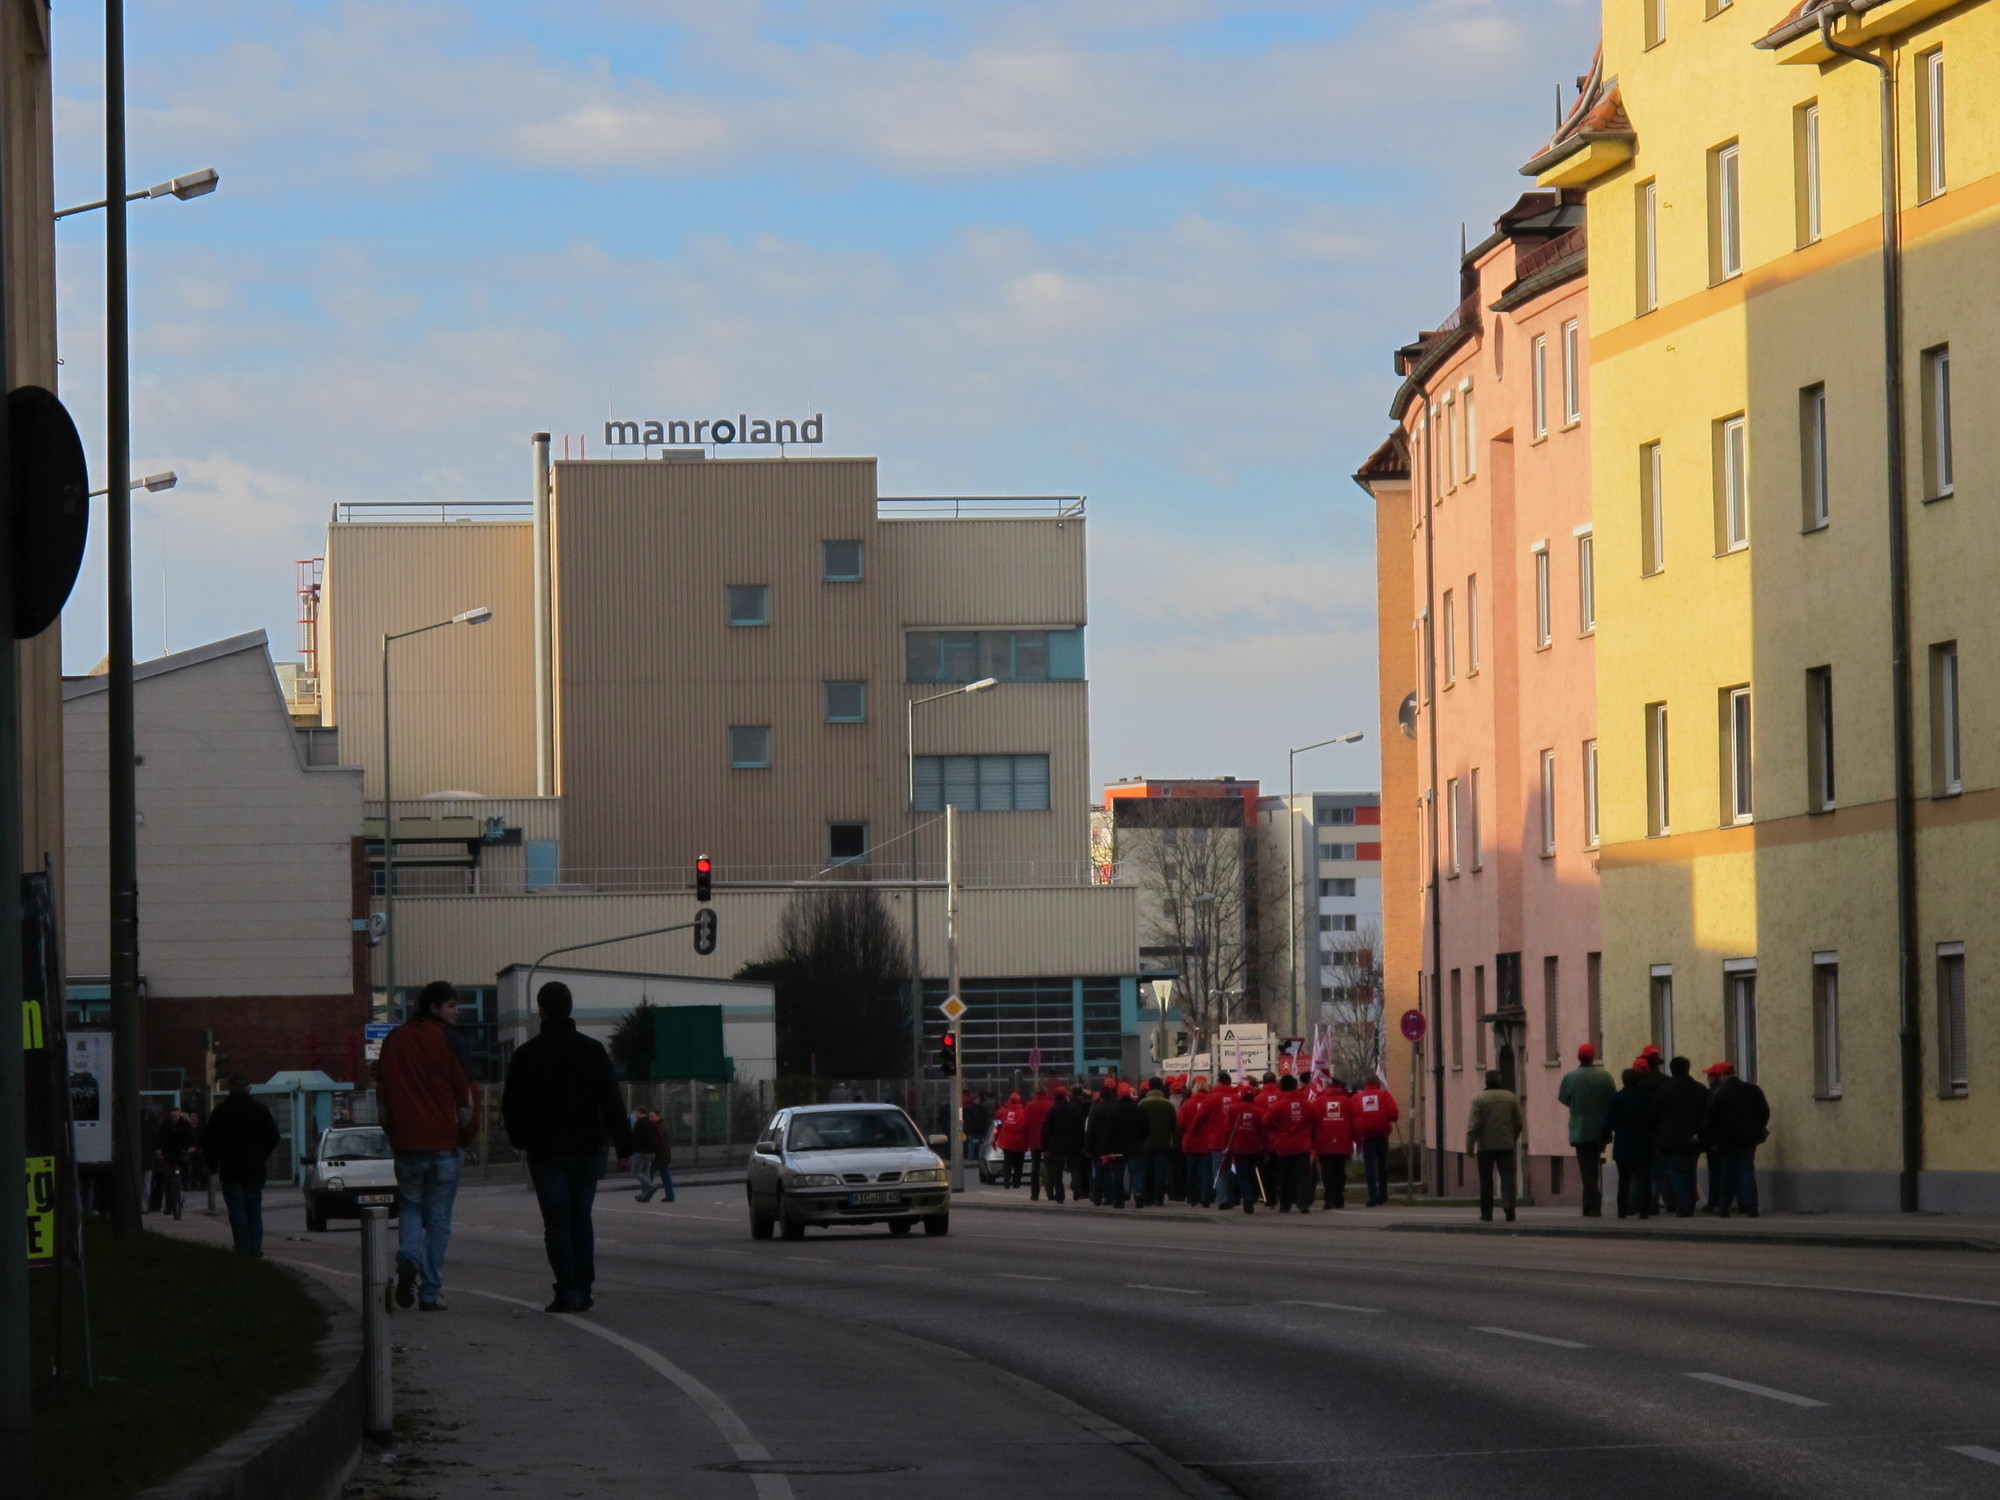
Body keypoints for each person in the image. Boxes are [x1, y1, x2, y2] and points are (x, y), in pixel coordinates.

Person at [502, 981, 636, 1313]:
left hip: (546, 1151)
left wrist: (521, 1140)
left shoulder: (527, 1055)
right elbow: (611, 1101)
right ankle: (584, 1288)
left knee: (557, 1222)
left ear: (541, 1010)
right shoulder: (592, 1051)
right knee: (581, 1218)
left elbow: (512, 1106)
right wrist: (624, 1145)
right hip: (588, 1147)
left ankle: (566, 1289)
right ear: (569, 1008)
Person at [378, 979, 479, 1311]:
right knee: (438, 1218)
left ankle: (408, 1256)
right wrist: (467, 1135)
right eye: (451, 1005)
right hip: (444, 1144)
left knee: (409, 1207)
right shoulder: (450, 1040)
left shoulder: (394, 1040)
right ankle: (430, 1292)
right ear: (434, 1008)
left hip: (406, 1144)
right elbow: (466, 1097)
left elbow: (383, 1098)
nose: (457, 1012)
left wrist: (393, 1131)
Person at [200, 1076, 280, 1255]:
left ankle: (242, 1246)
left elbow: (208, 1141)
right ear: (248, 1088)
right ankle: (255, 1246)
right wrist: (262, 1155)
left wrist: (213, 1164)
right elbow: (274, 1137)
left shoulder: (221, 1111)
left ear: (229, 1088)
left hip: (230, 1168)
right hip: (254, 1168)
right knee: (254, 1207)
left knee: (236, 1208)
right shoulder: (260, 1109)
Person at [1700, 1062, 1770, 1217]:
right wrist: (1758, 1127)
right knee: (1747, 1171)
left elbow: (1712, 1118)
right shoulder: (1753, 1089)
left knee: (1728, 1173)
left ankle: (1724, 1207)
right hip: (1748, 1138)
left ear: (1721, 1075)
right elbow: (1765, 1112)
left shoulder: (1720, 1093)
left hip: (1727, 1140)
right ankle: (1752, 1205)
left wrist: (1702, 1135)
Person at [1645, 1056, 1710, 1217]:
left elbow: (1653, 1114)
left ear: (1672, 1070)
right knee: (1691, 1170)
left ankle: (1684, 1204)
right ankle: (1690, 1202)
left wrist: (1653, 1133)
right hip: (1694, 1137)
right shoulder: (1700, 1089)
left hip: (1671, 1138)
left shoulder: (1665, 1089)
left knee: (1678, 1170)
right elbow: (1708, 1113)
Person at [1556, 1043, 1617, 1217]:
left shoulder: (1571, 1077)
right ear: (1593, 1056)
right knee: (1593, 1166)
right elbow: (1612, 1098)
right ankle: (1588, 1205)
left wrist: (1577, 1105)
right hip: (1601, 1128)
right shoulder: (1605, 1077)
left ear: (1579, 1057)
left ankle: (1594, 1205)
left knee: (1586, 1169)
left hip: (1580, 1128)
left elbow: (1564, 1098)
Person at [1465, 1069, 1525, 1222]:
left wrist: (1470, 1145)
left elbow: (1474, 1125)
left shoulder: (1479, 1099)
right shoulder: (1510, 1098)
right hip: (1506, 1144)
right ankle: (1509, 1208)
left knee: (1486, 1179)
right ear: (1500, 1080)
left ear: (1486, 1082)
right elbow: (1518, 1123)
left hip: (1485, 1146)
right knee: (1507, 1176)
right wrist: (1512, 1138)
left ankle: (1487, 1213)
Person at [1604, 1069, 1654, 1219]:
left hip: (1622, 1144)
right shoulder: (1647, 1098)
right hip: (1643, 1143)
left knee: (1624, 1180)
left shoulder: (1616, 1098)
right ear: (1639, 1080)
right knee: (1644, 1179)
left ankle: (1622, 1211)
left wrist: (1603, 1138)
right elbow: (1653, 1121)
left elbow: (1608, 1121)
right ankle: (1644, 1211)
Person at [1267, 1075, 1315, 1212]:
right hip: (1303, 1144)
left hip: (1284, 1144)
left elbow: (1266, 1121)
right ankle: (1303, 1203)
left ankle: (1285, 1204)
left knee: (1285, 1176)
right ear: (1295, 1086)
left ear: (1281, 1087)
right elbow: (1316, 1118)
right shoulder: (1307, 1103)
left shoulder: (1277, 1105)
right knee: (1302, 1176)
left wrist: (1277, 1128)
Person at [1351, 1075, 1401, 1206]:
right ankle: (1383, 1194)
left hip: (1366, 1136)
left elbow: (1353, 1117)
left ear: (1364, 1084)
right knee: (1382, 1165)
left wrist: (1357, 1136)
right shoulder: (1384, 1095)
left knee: (1369, 1167)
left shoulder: (1357, 1098)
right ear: (1377, 1084)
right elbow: (1394, 1114)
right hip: (1382, 1134)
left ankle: (1372, 1196)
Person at [1309, 1075, 1355, 1209]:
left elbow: (1313, 1123)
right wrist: (1358, 1141)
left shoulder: (1318, 1102)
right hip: (1343, 1142)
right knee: (1340, 1171)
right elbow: (1356, 1123)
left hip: (1324, 1141)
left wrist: (1312, 1141)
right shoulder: (1348, 1102)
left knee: (1327, 1172)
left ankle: (1329, 1200)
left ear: (1327, 1085)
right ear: (1340, 1086)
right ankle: (1339, 1199)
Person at [1225, 1087, 1269, 1213]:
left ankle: (1247, 1196)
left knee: (1242, 1175)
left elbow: (1227, 1129)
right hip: (1254, 1148)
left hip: (1238, 1148)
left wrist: (1226, 1146)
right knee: (1251, 1174)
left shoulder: (1233, 1109)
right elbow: (1264, 1134)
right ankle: (1251, 1196)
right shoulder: (1259, 1111)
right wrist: (1265, 1151)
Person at [1039, 1085, 1083, 1203]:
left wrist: (1045, 1146)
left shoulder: (1053, 1110)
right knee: (1074, 1166)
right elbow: (1080, 1127)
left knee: (1057, 1170)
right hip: (1073, 1143)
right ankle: (1075, 1182)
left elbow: (1047, 1130)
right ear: (1066, 1096)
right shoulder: (1073, 1109)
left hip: (1057, 1144)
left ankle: (1060, 1195)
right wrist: (1082, 1143)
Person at [1137, 1079, 1177, 1208]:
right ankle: (1159, 1198)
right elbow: (1174, 1125)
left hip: (1145, 1143)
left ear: (1149, 1087)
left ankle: (1147, 1197)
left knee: (1146, 1171)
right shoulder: (1167, 1104)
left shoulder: (1143, 1103)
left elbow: (1138, 1123)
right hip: (1163, 1143)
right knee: (1160, 1172)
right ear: (1161, 1087)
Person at [150, 1104, 196, 1212]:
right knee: (168, 1179)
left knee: (185, 1164)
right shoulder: (164, 1125)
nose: (174, 1118)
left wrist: (192, 1146)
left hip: (182, 1151)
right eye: (172, 1116)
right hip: (169, 1152)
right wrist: (158, 1149)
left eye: (175, 1116)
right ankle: (169, 1205)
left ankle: (185, 1184)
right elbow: (159, 1138)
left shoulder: (185, 1124)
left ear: (179, 1115)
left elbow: (191, 1137)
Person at [633, 1109, 676, 1203]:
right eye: (650, 1116)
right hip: (665, 1155)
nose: (650, 1118)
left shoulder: (656, 1127)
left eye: (652, 1116)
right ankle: (670, 1195)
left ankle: (645, 1194)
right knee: (665, 1176)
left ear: (658, 1116)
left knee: (648, 1175)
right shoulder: (666, 1125)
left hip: (657, 1155)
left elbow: (654, 1141)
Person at [1023, 1085, 1054, 1202]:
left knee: (1035, 1167)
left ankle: (1034, 1194)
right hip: (1048, 1140)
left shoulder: (1029, 1106)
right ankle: (1050, 1192)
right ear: (1045, 1093)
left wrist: (1026, 1139)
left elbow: (1025, 1124)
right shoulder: (1051, 1105)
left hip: (1034, 1139)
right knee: (1049, 1166)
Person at [994, 1092, 1030, 1189]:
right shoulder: (1024, 1112)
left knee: (1007, 1162)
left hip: (1007, 1141)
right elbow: (1027, 1126)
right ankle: (1016, 1182)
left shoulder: (1004, 1111)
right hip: (1020, 1142)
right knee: (1019, 1164)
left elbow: (996, 1116)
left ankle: (1006, 1180)